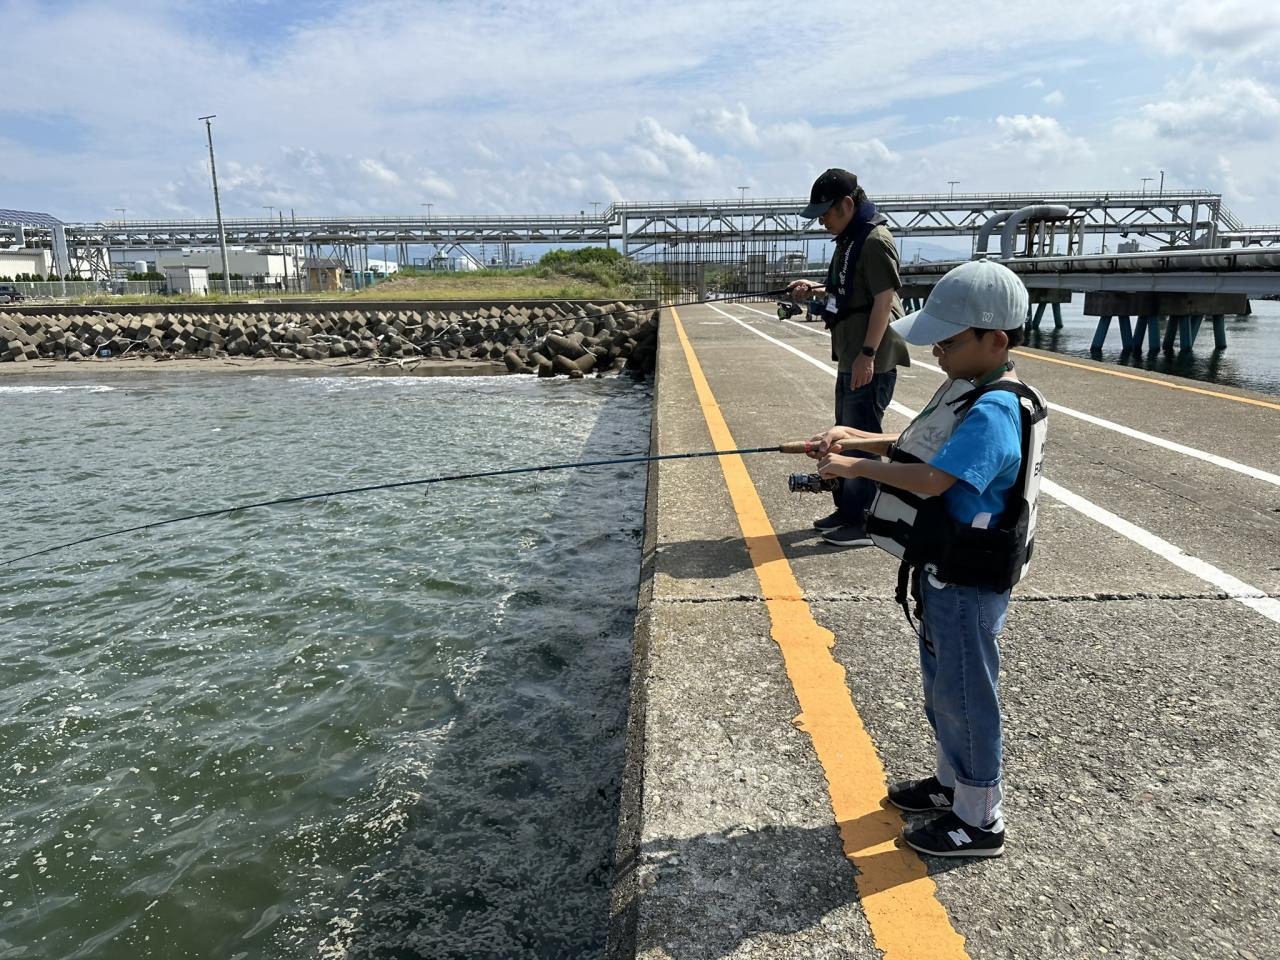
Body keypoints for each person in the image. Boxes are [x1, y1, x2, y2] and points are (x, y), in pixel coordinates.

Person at [814, 259, 1048, 858]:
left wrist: (853, 467)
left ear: (994, 340)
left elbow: (933, 479)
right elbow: (919, 447)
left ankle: (979, 819)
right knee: (944, 685)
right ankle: (951, 786)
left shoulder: (994, 409)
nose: (937, 352)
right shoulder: (971, 389)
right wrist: (857, 436)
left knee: (966, 694)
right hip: (947, 570)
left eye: (947, 341)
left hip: (969, 577)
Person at [787, 168, 911, 548]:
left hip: (868, 356)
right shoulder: (850, 239)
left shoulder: (874, 240)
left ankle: (862, 522)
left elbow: (883, 298)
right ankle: (847, 510)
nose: (822, 220)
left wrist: (868, 355)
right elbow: (848, 287)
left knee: (861, 438)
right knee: (844, 433)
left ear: (847, 204)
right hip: (851, 354)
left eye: (826, 212)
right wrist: (815, 288)